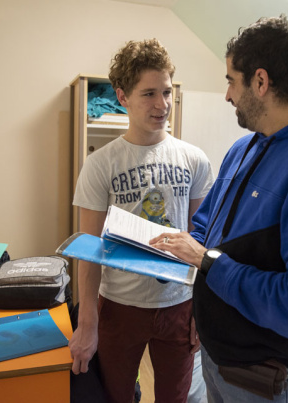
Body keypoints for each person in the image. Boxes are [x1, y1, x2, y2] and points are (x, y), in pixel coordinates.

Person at [150, 15, 288, 402]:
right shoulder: (243, 148)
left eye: (232, 80)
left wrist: (209, 264)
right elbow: (206, 227)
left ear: (261, 82)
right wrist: (170, 253)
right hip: (219, 356)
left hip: (265, 374)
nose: (228, 95)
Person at [69, 39, 213, 403]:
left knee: (174, 398)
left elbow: (202, 240)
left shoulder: (194, 160)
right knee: (117, 396)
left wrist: (201, 307)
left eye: (166, 92)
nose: (161, 104)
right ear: (122, 96)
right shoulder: (101, 164)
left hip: (179, 302)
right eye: (148, 93)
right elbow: (89, 250)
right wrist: (88, 323)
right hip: (119, 305)